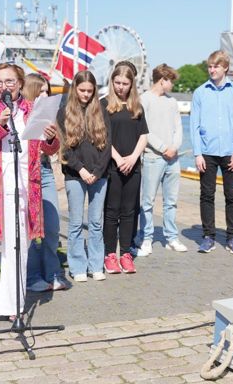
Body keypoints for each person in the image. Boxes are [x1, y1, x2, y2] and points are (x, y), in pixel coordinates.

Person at [0, 63, 60, 325]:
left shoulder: (33, 111)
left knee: (16, 247)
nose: (3, 86)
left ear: (19, 83)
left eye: (9, 81)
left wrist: (51, 138)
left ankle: (11, 304)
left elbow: (49, 149)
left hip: (22, 187)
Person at [191, 50, 233, 254]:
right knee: (207, 195)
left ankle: (232, 237)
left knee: (232, 195)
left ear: (225, 67)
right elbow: (194, 125)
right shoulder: (200, 92)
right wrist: (197, 153)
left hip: (231, 152)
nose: (212, 69)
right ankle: (208, 236)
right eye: (210, 66)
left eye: (216, 66)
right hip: (207, 151)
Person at [60, 70, 111, 282]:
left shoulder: (102, 111)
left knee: (96, 222)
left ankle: (96, 264)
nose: (86, 95)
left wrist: (97, 172)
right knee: (75, 223)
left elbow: (107, 146)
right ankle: (78, 265)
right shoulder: (64, 112)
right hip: (75, 174)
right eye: (82, 90)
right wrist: (81, 169)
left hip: (99, 175)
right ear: (75, 89)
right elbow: (65, 148)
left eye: (90, 91)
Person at [21, 73, 67, 292]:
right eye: (40, 91)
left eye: (47, 91)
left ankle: (53, 272)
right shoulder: (19, 113)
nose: (45, 95)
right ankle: (31, 277)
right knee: (28, 227)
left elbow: (53, 148)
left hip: (45, 170)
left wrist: (50, 138)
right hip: (25, 172)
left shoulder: (48, 115)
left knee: (52, 225)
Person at [102, 62, 148, 274]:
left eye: (125, 83)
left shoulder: (136, 107)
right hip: (112, 165)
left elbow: (143, 135)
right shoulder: (104, 105)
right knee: (112, 212)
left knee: (129, 211)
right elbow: (102, 136)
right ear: (112, 82)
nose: (120, 87)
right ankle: (110, 254)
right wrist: (119, 158)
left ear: (132, 85)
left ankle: (126, 253)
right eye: (117, 82)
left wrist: (133, 158)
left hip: (133, 166)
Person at [137, 63, 187, 255]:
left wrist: (174, 147)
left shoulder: (172, 102)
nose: (172, 85)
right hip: (152, 158)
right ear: (162, 80)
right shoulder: (144, 100)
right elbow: (144, 130)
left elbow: (178, 127)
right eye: (171, 81)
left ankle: (171, 237)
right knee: (147, 201)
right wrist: (162, 147)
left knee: (171, 201)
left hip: (173, 159)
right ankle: (146, 238)